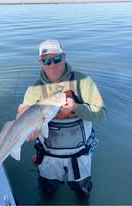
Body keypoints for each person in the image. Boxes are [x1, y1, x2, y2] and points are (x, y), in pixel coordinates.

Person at [17, 39, 106, 197]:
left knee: (83, 193)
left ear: (64, 57)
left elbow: (101, 114)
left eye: (56, 58)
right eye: (46, 60)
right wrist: (25, 125)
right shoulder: (33, 90)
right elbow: (24, 117)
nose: (52, 64)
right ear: (40, 62)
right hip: (49, 158)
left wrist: (77, 108)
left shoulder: (83, 82)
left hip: (80, 156)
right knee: (47, 192)